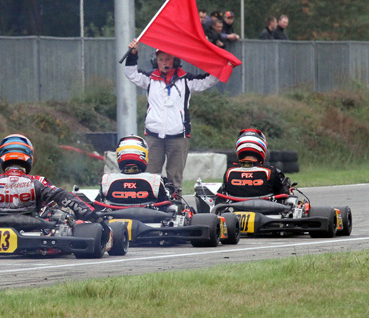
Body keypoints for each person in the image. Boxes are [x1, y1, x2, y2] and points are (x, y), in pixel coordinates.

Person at [124, 41, 220, 193]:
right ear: (156, 62)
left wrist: (218, 62)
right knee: (150, 175)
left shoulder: (186, 80)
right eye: (161, 59)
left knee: (175, 176)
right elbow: (131, 74)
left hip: (179, 136)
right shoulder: (150, 79)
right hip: (153, 135)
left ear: (175, 60)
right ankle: (150, 203)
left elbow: (210, 80)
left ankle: (176, 206)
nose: (164, 63)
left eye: (167, 59)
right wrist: (133, 54)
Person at [94, 135, 174, 205]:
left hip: (115, 220)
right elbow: (165, 204)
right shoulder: (155, 180)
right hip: (148, 220)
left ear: (119, 155)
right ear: (144, 154)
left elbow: (98, 205)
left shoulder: (107, 180)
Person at [219, 128, 291, 198]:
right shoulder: (270, 172)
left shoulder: (229, 172)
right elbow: (282, 195)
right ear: (261, 147)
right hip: (265, 209)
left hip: (235, 209)